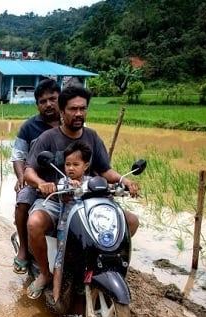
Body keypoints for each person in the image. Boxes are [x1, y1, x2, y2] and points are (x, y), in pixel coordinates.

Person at [24, 85, 140, 300]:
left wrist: (125, 180)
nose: (78, 113)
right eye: (73, 109)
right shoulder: (48, 138)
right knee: (34, 223)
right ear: (62, 111)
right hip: (56, 199)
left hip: (88, 200)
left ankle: (97, 263)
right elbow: (29, 170)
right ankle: (45, 273)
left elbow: (105, 170)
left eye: (82, 108)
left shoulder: (92, 137)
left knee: (129, 222)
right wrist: (42, 183)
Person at [10, 79, 61, 275]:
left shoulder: (71, 122)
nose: (48, 104)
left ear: (60, 99)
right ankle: (23, 248)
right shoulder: (29, 127)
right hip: (35, 179)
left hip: (67, 181)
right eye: (43, 101)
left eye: (52, 99)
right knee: (22, 202)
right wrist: (22, 178)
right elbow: (18, 156)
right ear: (37, 104)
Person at [51, 141, 92, 302]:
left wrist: (115, 186)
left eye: (76, 164)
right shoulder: (64, 182)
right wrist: (71, 186)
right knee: (60, 259)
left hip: (87, 229)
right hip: (67, 228)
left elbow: (103, 188)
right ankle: (55, 295)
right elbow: (64, 195)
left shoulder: (90, 182)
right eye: (68, 164)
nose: (71, 168)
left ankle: (86, 289)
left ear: (86, 166)